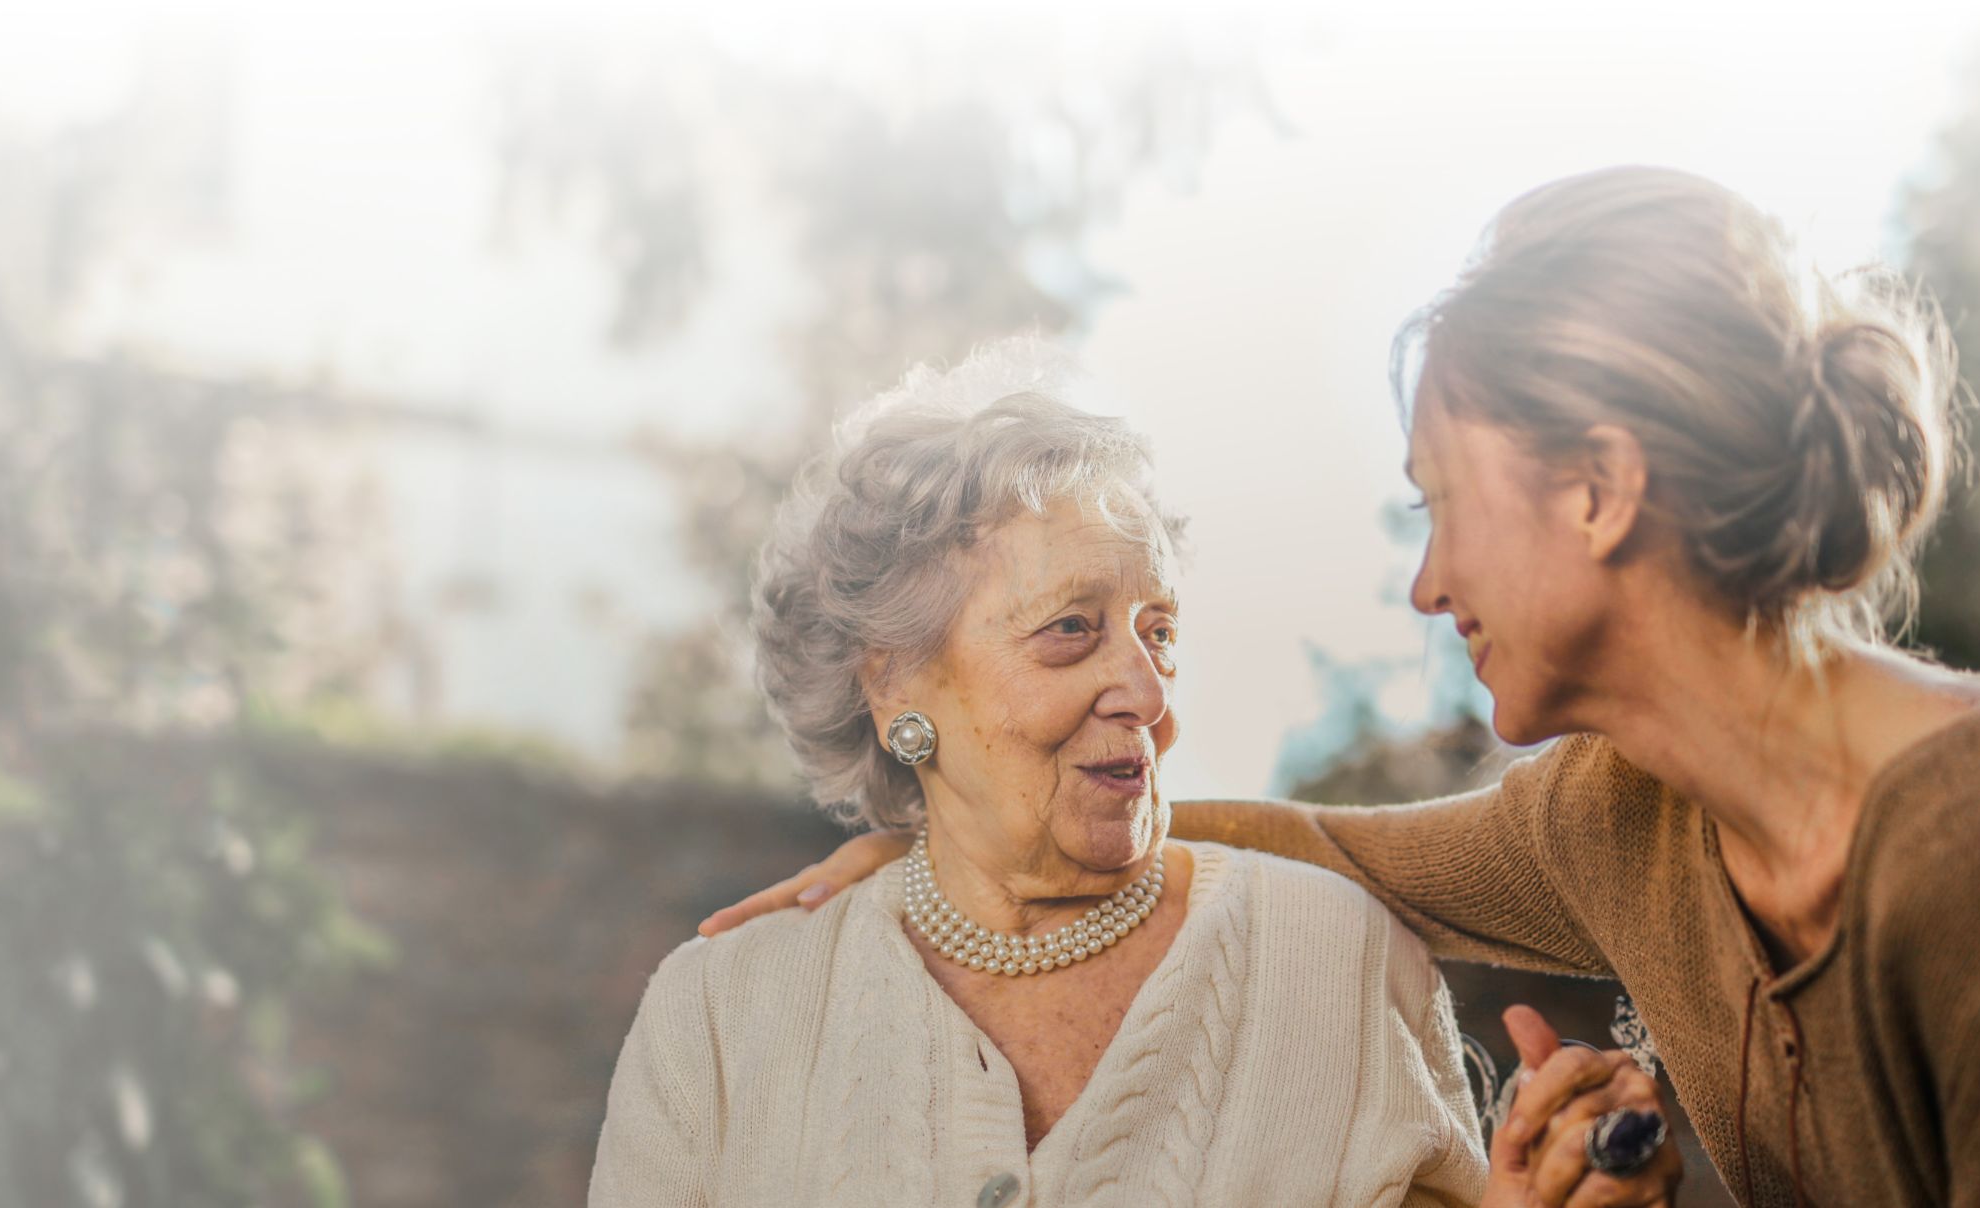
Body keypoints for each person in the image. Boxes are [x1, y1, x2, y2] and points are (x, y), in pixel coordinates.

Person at [700, 168, 1980, 1207]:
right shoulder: (1625, 815)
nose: (1428, 585)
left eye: (1440, 502)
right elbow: (1321, 851)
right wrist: (964, 840)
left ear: (1599, 493)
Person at [593, 341, 1667, 1206]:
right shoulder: (723, 1014)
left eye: (1158, 632)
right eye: (1070, 629)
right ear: (894, 686)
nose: (1147, 695)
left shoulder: (1333, 960)